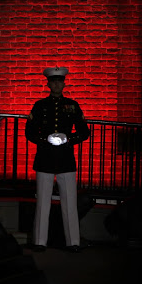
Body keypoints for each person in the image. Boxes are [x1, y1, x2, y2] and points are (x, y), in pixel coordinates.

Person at [25, 66, 90, 253]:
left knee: (70, 202)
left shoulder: (72, 105)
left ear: (64, 84)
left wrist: (68, 139)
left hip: (65, 157)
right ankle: (39, 241)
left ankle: (73, 241)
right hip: (45, 157)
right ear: (48, 84)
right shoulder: (40, 106)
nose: (56, 84)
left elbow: (84, 132)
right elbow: (29, 131)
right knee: (42, 202)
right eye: (53, 81)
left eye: (59, 81)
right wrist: (44, 139)